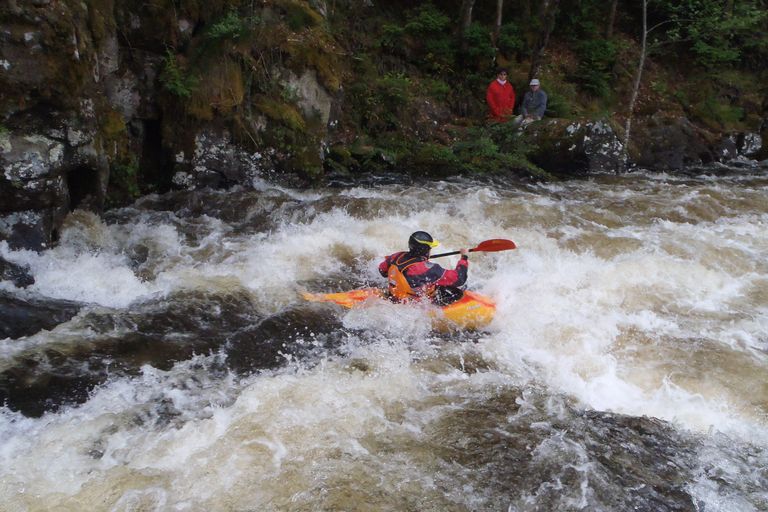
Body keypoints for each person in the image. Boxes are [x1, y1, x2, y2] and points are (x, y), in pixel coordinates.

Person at [378, 231, 469, 305]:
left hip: (394, 297)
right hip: (413, 305)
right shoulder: (429, 269)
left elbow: (382, 271)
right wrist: (464, 258)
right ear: (425, 250)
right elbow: (460, 278)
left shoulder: (396, 256)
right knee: (455, 291)